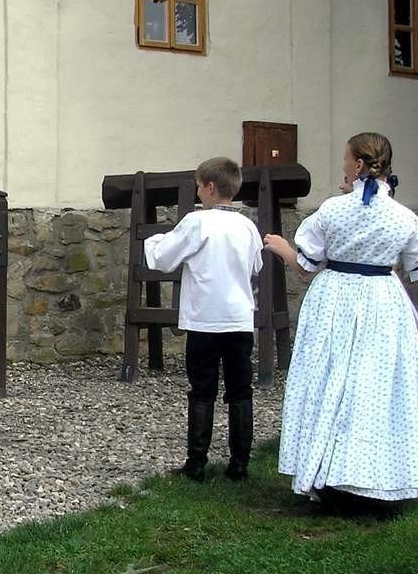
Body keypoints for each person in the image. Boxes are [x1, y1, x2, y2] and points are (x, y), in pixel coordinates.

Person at [264, 132, 418, 510]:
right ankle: (376, 479)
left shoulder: (333, 210)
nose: (344, 165)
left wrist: (283, 248)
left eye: (347, 159)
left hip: (335, 299)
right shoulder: (405, 217)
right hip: (384, 300)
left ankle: (327, 475)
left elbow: (307, 264)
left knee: (328, 381)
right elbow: (414, 268)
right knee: (374, 388)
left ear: (360, 165)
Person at [144, 157, 263, 481]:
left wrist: (152, 241)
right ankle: (239, 464)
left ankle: (196, 463)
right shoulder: (247, 225)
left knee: (202, 390)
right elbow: (256, 267)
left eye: (199, 185)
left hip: (205, 320)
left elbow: (165, 258)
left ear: (210, 187)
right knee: (241, 390)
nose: (198, 191)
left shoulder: (197, 222)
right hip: (239, 319)